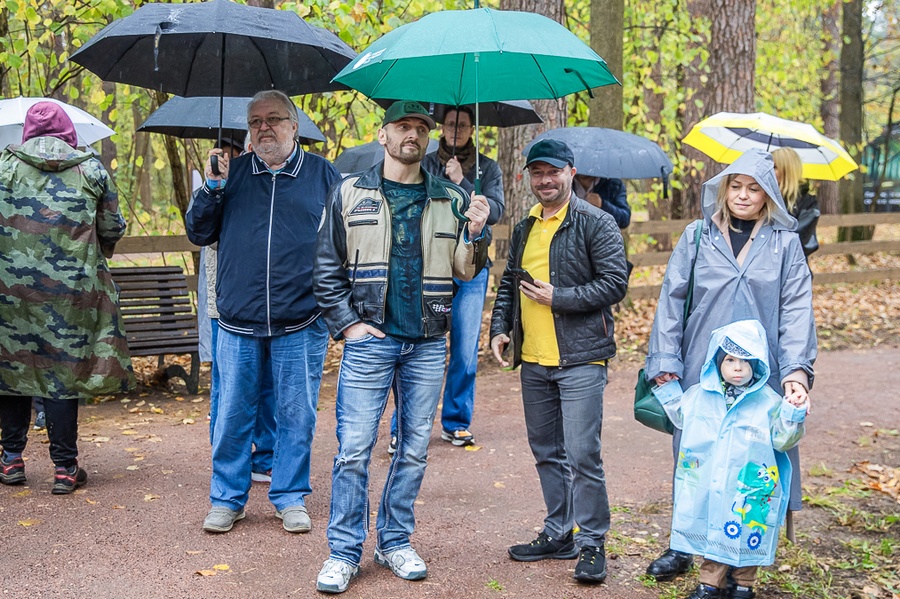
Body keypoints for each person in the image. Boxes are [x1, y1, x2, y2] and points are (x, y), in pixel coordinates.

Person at [313, 100, 489, 594]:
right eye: (403, 126)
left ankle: (394, 540)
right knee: (352, 451)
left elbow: (466, 271)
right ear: (383, 134)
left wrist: (476, 232)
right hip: (370, 340)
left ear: (429, 139)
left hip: (428, 344)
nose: (412, 134)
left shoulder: (453, 198)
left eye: (421, 128)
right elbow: (325, 267)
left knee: (412, 451)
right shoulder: (349, 193)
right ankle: (343, 552)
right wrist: (348, 325)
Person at [644, 148, 816, 582]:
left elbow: (797, 309)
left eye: (753, 188)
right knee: (696, 457)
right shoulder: (697, 235)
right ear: (722, 189)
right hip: (704, 368)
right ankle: (685, 547)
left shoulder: (785, 243)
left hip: (763, 376)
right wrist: (666, 361)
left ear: (768, 194)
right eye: (735, 186)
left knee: (754, 463)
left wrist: (796, 372)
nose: (742, 195)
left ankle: (742, 563)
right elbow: (671, 300)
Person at [186, 89, 339, 534]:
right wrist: (211, 190)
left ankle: (290, 496)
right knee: (232, 414)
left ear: (294, 126)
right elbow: (199, 233)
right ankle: (227, 498)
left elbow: (343, 243)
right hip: (237, 320)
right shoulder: (231, 175)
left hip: (302, 320)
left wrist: (336, 307)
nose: (263, 128)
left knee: (297, 414)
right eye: (255, 122)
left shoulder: (322, 175)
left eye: (273, 119)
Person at [489, 139, 629, 584]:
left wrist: (560, 298)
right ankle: (558, 533)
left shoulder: (596, 222)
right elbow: (509, 283)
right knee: (546, 451)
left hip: (581, 358)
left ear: (571, 172)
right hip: (534, 360)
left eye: (553, 172)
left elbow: (614, 283)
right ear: (528, 177)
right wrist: (500, 328)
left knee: (583, 453)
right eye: (537, 173)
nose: (545, 181)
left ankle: (591, 543)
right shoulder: (525, 226)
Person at [0, 101, 133, 494]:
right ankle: (64, 468)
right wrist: (92, 251)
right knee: (63, 374)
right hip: (73, 293)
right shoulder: (90, 168)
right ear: (67, 132)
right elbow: (112, 227)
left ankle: (10, 461)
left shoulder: (4, 167)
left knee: (13, 369)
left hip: (10, 292)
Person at [654, 319, 808, 599]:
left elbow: (783, 440)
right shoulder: (700, 395)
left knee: (749, 533)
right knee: (713, 531)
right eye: (730, 360)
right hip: (710, 481)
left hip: (750, 489)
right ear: (716, 362)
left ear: (757, 364)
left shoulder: (768, 402)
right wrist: (666, 388)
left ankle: (743, 586)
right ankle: (710, 584)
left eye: (746, 360)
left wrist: (791, 413)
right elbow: (680, 415)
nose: (737, 368)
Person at [412, 105, 505, 448]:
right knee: (420, 345)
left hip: (472, 265)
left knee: (465, 349)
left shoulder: (489, 167)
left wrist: (461, 182)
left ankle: (456, 420)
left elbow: (496, 210)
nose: (456, 130)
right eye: (450, 124)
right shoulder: (423, 162)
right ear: (442, 127)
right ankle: (406, 425)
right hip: (431, 263)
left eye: (463, 125)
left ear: (472, 128)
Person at [196, 135, 276, 484]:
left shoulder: (277, 183)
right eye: (250, 141)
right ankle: (227, 456)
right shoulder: (224, 180)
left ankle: (266, 455)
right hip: (224, 304)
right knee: (227, 387)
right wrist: (215, 186)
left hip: (273, 307)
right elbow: (204, 233)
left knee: (269, 386)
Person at [771, 147, 820, 259]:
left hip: (792, 269)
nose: (769, 171)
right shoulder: (762, 198)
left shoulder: (808, 203)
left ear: (787, 170)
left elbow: (800, 241)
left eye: (774, 167)